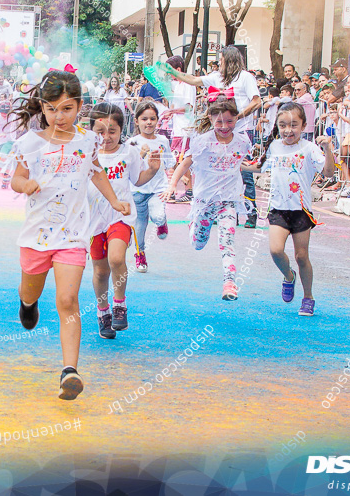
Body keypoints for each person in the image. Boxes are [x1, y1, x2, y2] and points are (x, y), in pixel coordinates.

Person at [7, 69, 130, 400]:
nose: (57, 116)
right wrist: (26, 184)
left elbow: (96, 172)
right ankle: (27, 303)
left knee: (67, 300)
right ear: (42, 108)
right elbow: (15, 179)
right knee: (30, 291)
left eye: (66, 109)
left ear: (79, 107)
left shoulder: (87, 141)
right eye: (50, 109)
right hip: (35, 237)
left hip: (73, 237)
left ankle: (69, 372)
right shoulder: (29, 144)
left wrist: (115, 201)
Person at [160, 98, 252, 301]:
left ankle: (229, 283)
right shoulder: (203, 141)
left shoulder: (243, 141)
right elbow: (185, 163)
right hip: (205, 201)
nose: (224, 127)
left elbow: (241, 163)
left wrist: (262, 166)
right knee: (198, 243)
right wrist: (172, 185)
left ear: (236, 119)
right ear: (210, 120)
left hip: (228, 201)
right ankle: (194, 225)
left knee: (227, 242)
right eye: (219, 122)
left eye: (229, 121)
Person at [248, 103, 335, 316]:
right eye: (283, 125)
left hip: (301, 211)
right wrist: (233, 164)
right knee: (276, 250)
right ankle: (289, 276)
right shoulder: (274, 147)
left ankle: (308, 297)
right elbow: (258, 166)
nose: (289, 130)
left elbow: (329, 172)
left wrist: (328, 149)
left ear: (304, 125)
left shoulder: (309, 148)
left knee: (302, 256)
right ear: (277, 127)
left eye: (294, 125)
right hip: (278, 209)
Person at [85, 102, 164, 339]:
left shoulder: (128, 152)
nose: (106, 137)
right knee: (100, 272)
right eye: (100, 132)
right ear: (91, 131)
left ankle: (120, 305)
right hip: (92, 221)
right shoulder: (87, 154)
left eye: (112, 131)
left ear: (121, 130)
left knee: (117, 258)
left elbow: (138, 180)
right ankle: (103, 313)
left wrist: (152, 170)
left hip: (120, 216)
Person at [167, 46, 261, 227]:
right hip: (217, 132)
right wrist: (171, 70)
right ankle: (220, 210)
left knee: (244, 173)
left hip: (240, 131)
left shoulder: (245, 77)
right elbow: (193, 80)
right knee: (217, 170)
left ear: (230, 60)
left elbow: (257, 101)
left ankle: (251, 214)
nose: (220, 63)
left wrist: (237, 116)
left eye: (222, 60)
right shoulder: (217, 77)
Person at [126, 101, 174, 273]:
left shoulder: (163, 141)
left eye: (152, 119)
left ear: (157, 120)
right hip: (137, 190)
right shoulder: (132, 143)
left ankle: (162, 223)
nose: (148, 122)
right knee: (139, 225)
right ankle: (140, 255)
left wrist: (173, 183)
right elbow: (128, 167)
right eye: (144, 119)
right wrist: (141, 154)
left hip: (158, 189)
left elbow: (170, 163)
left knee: (158, 216)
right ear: (137, 120)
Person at [165, 56, 196, 203]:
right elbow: (173, 106)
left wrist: (174, 111)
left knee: (180, 160)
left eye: (170, 70)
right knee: (177, 159)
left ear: (178, 69)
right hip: (176, 128)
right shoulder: (175, 85)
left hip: (185, 129)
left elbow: (189, 107)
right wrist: (169, 114)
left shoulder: (189, 85)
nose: (169, 74)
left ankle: (186, 191)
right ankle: (181, 190)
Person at [0, 101, 21, 189]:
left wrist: (21, 127)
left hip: (10, 141)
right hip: (0, 141)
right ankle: (6, 178)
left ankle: (6, 177)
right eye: (3, 113)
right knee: (0, 163)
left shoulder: (14, 115)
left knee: (3, 157)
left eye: (6, 113)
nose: (4, 115)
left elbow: (21, 119)